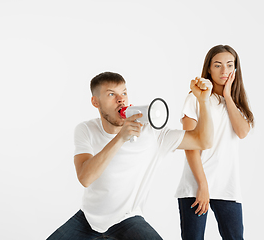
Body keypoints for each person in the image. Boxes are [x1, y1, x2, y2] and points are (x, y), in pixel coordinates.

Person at [47, 71, 214, 240]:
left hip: (128, 219)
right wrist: (120, 138)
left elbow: (203, 141)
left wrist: (203, 101)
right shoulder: (86, 130)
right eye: (111, 94)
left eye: (124, 93)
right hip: (87, 219)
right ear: (95, 102)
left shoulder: (152, 132)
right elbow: (85, 177)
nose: (121, 99)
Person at [175, 45, 254, 240]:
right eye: (218, 65)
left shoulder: (235, 103)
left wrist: (227, 96)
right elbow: (190, 145)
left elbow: (242, 132)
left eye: (229, 65)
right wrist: (202, 185)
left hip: (227, 186)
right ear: (209, 69)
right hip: (196, 185)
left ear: (235, 69)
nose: (224, 71)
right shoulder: (196, 98)